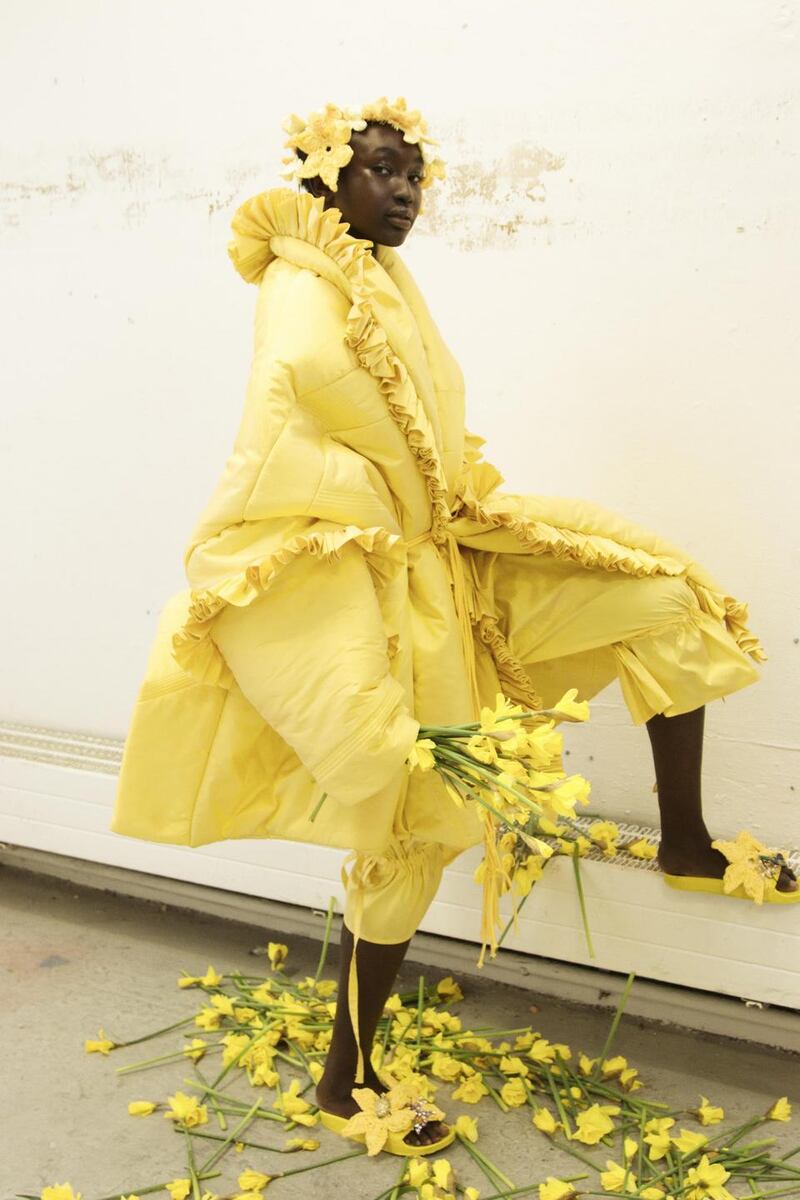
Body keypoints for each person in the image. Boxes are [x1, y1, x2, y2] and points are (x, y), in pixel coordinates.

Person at [110, 96, 797, 1157]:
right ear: (326, 179)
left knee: (665, 600)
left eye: (415, 176)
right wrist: (393, 516)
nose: (405, 193)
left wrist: (460, 506)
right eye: (381, 171)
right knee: (414, 828)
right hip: (384, 585)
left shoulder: (378, 275)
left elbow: (419, 425)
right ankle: (345, 1079)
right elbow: (288, 427)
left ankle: (683, 842)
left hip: (450, 554)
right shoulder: (302, 285)